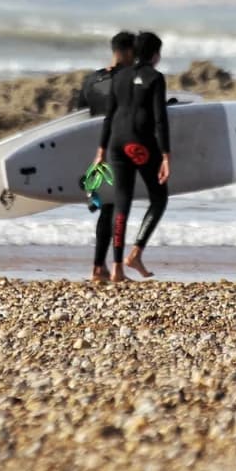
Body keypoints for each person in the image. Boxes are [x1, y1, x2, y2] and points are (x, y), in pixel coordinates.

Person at [95, 30, 171, 282]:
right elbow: (160, 119)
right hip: (141, 145)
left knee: (121, 202)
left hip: (116, 143)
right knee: (159, 198)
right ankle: (136, 252)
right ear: (155, 54)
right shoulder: (155, 78)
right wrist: (166, 155)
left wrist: (101, 151)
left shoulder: (119, 76)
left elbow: (110, 115)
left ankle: (117, 267)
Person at [73, 31, 135, 282]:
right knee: (113, 208)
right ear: (129, 52)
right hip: (117, 149)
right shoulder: (129, 80)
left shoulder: (91, 80)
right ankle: (102, 267)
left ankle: (101, 266)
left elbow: (76, 118)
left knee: (106, 208)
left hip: (92, 150)